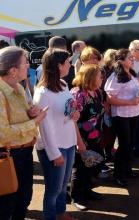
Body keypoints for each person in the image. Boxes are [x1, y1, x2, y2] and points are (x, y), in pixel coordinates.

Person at [34, 49, 82, 220]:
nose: (71, 64)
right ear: (58, 65)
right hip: (54, 148)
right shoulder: (42, 93)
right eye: (68, 61)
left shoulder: (63, 84)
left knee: (63, 186)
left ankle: (61, 213)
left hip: (68, 143)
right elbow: (43, 127)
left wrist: (73, 114)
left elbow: (66, 110)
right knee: (53, 189)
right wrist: (54, 154)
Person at [0, 46, 47, 220]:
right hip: (8, 156)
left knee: (23, 200)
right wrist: (34, 122)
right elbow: (2, 134)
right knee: (7, 206)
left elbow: (22, 115)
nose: (28, 65)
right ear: (13, 70)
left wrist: (31, 113)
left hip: (24, 154)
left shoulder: (18, 88)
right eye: (25, 62)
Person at [104, 49, 139, 187]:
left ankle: (127, 170)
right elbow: (109, 99)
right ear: (120, 61)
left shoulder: (131, 73)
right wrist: (130, 102)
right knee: (124, 144)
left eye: (133, 58)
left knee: (130, 143)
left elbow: (134, 91)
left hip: (134, 113)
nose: (132, 59)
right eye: (130, 58)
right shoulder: (115, 77)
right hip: (121, 115)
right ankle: (117, 175)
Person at [70, 64, 105, 211]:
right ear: (90, 77)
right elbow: (72, 121)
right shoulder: (78, 94)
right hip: (81, 138)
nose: (102, 78)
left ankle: (87, 190)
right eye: (99, 76)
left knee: (90, 166)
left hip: (94, 136)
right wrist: (79, 142)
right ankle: (76, 197)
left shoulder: (96, 92)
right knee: (79, 168)